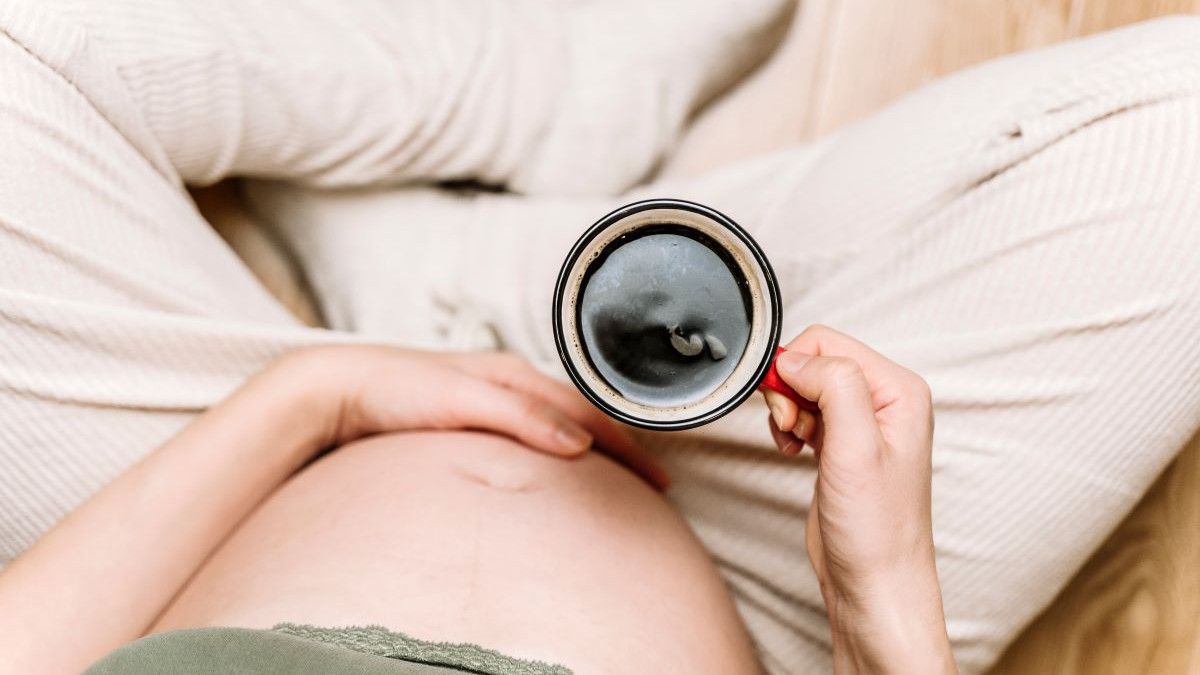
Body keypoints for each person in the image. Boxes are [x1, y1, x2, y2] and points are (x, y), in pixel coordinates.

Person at [1, 0, 1198, 673]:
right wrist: (882, 599)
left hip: (202, 497)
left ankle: (520, 119)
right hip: (771, 583)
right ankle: (473, 270)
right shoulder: (853, 593)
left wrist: (312, 396)